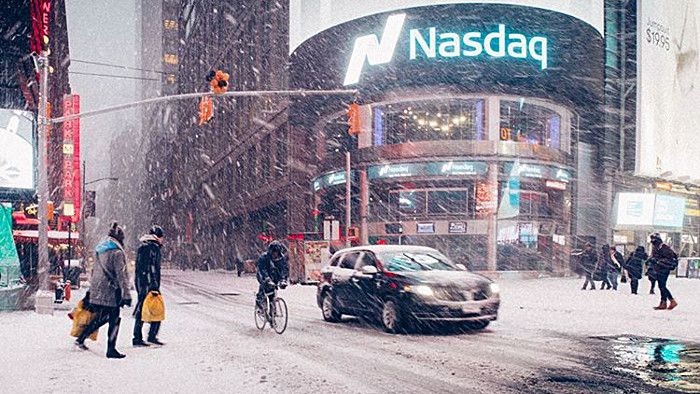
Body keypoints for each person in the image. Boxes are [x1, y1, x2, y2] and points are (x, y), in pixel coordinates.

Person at [75, 223, 132, 359]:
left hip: (98, 288)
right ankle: (111, 349)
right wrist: (126, 294)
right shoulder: (117, 253)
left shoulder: (101, 250)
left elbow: (94, 271)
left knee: (102, 317)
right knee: (114, 318)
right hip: (111, 291)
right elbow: (121, 275)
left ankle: (82, 337)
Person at [133, 225, 164, 347]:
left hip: (142, 283)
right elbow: (152, 268)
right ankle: (148, 336)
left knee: (142, 308)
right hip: (149, 284)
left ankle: (139, 336)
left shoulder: (143, 247)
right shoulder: (153, 248)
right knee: (156, 309)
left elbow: (140, 268)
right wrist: (154, 285)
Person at [255, 241, 289, 309]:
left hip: (275, 276)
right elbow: (262, 269)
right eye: (274, 252)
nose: (275, 254)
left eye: (276, 252)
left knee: (272, 294)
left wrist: (283, 279)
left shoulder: (281, 259)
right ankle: (260, 301)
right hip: (263, 275)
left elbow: (284, 269)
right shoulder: (264, 258)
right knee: (264, 287)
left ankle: (272, 311)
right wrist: (267, 279)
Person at [649, 233, 679, 310]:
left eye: (653, 239)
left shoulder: (664, 248)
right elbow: (655, 258)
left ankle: (671, 300)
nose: (652, 241)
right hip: (659, 268)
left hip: (664, 269)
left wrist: (657, 261)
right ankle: (663, 302)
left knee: (662, 286)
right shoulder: (656, 248)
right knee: (661, 286)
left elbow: (669, 258)